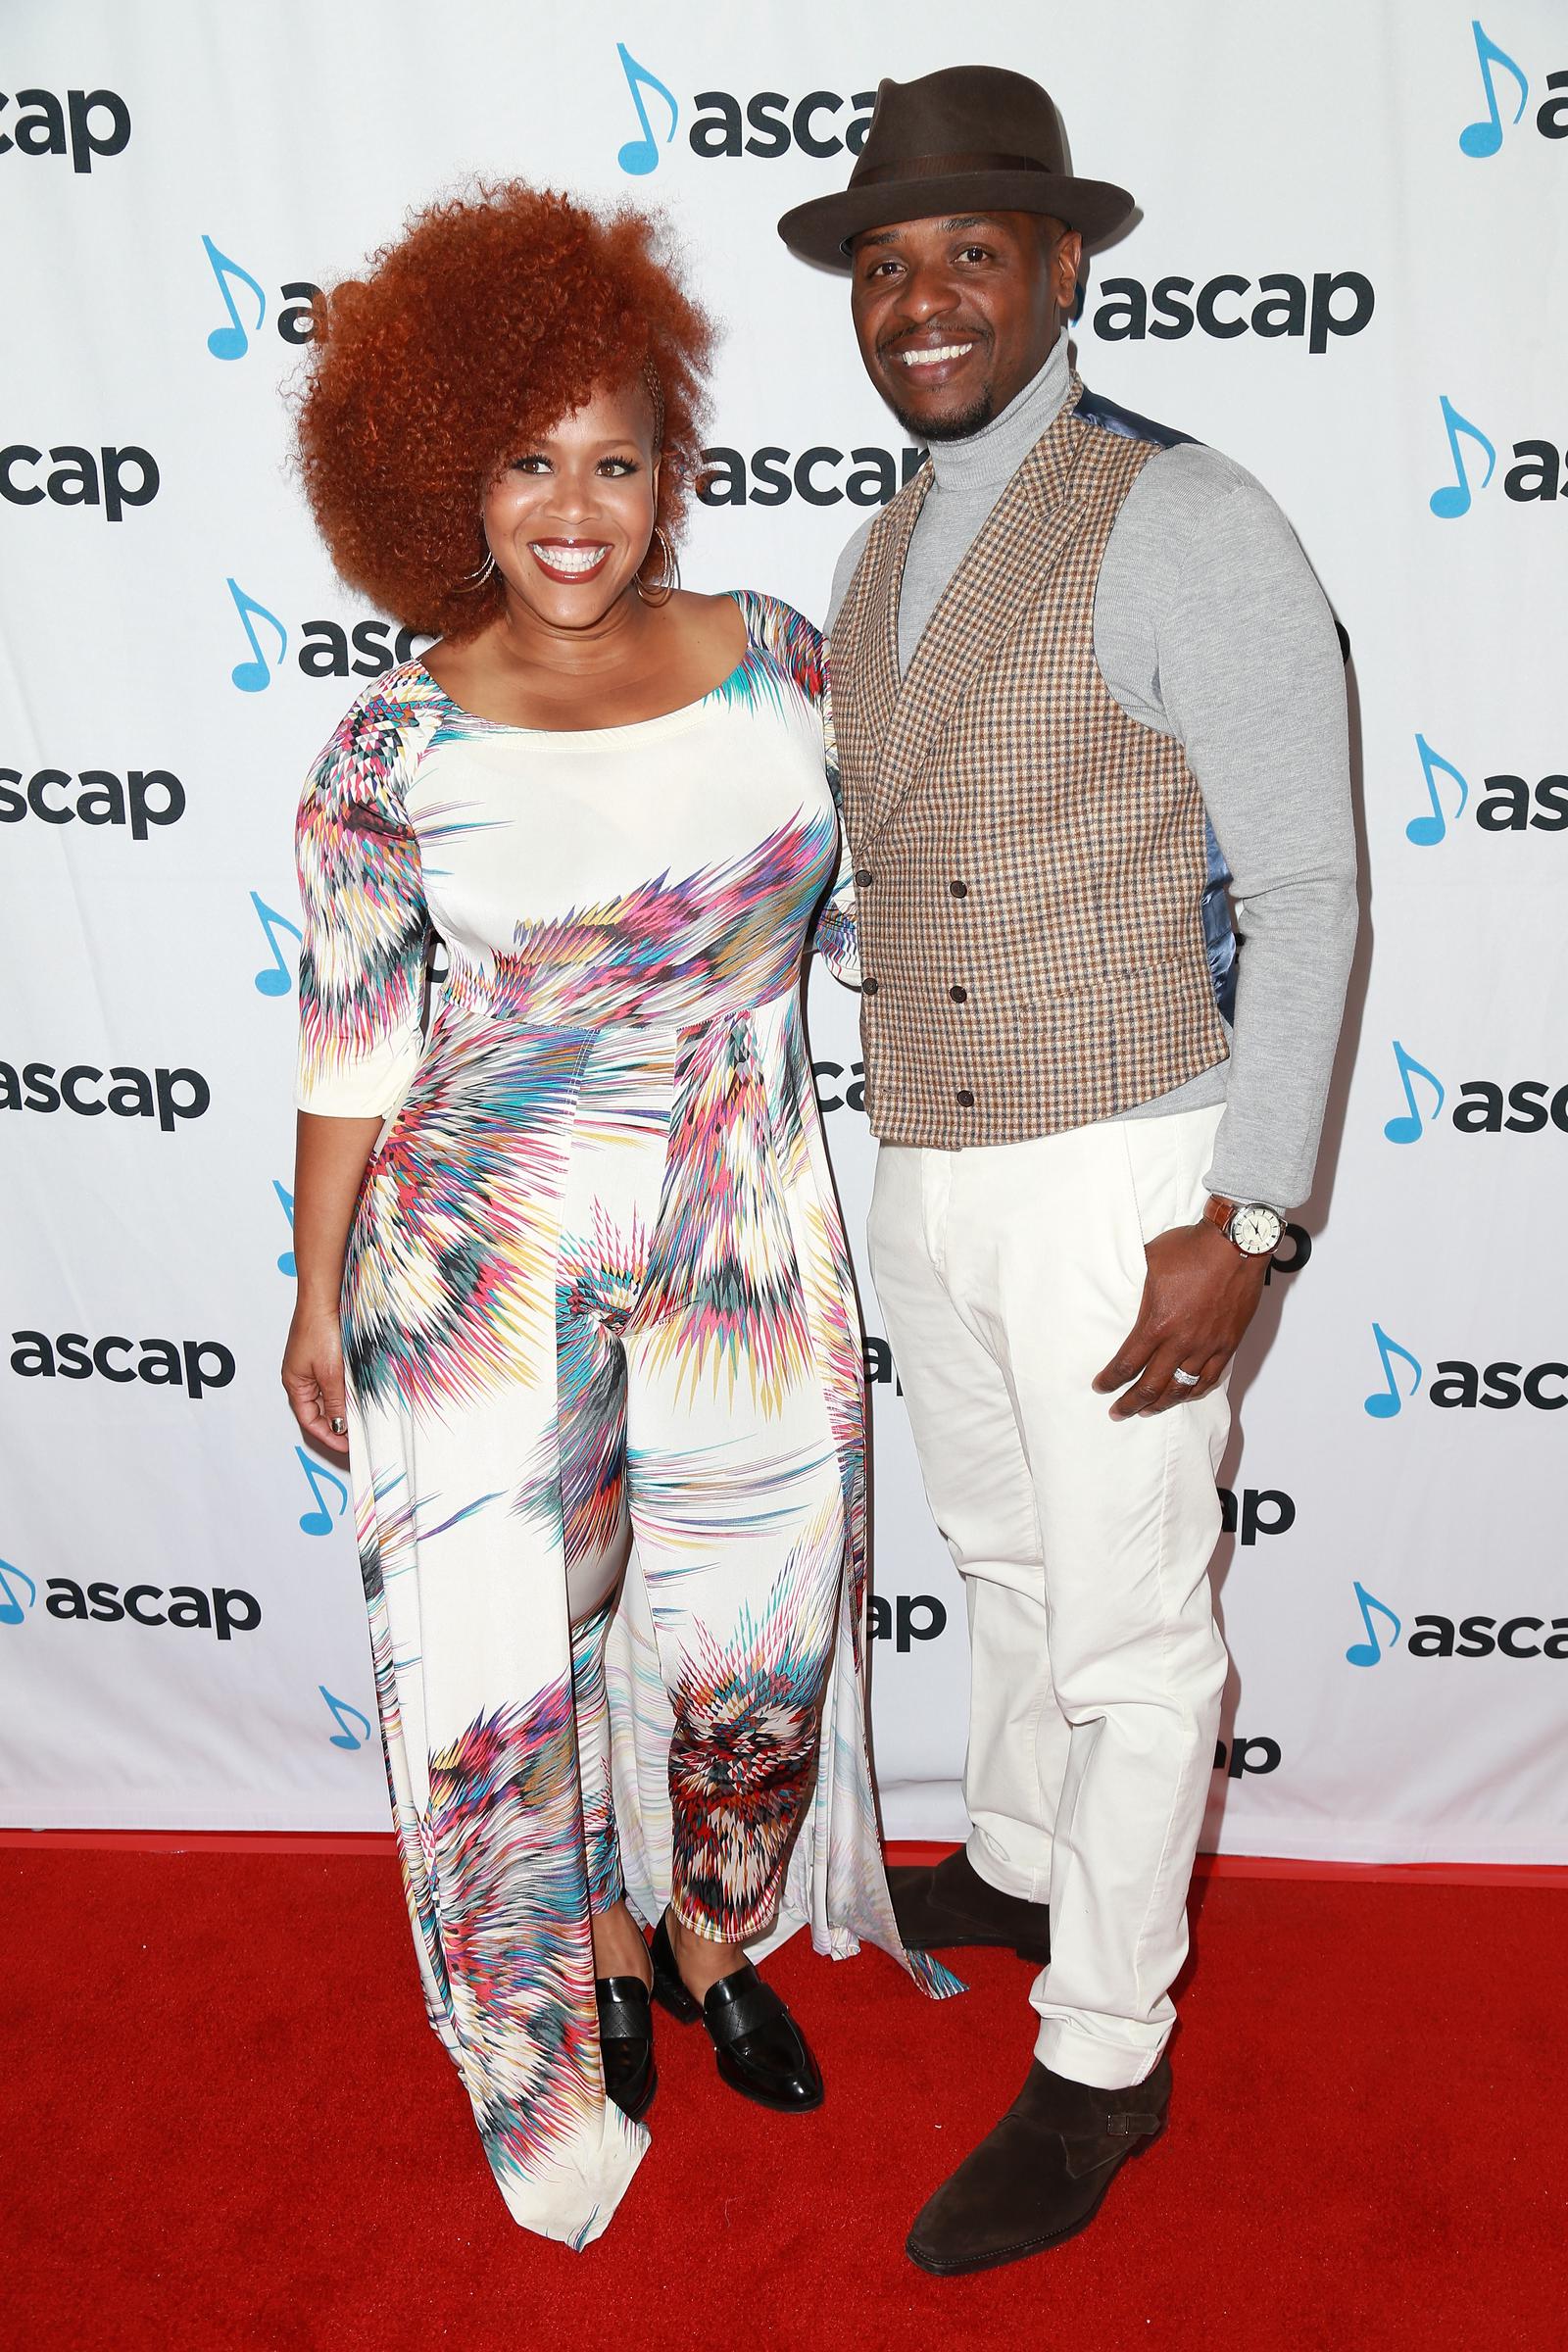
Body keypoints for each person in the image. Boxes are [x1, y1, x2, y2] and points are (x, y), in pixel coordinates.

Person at [281, 184, 953, 2251]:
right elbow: (351, 1050)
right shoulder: (387, 745)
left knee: (758, 1628)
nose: (570, 511)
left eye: (613, 462)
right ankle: (574, 1970)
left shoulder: (780, 668)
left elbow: (909, 899)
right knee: (516, 1649)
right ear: (447, 481)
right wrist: (311, 1297)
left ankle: (710, 1933)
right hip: (473, 1252)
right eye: (523, 463)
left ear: (672, 475)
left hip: (740, 1220)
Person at [779, 66, 1357, 2274]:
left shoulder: (1184, 513)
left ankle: (1107, 2054)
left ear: (1062, 271)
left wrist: (1252, 1219)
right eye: (887, 263)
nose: (921, 300)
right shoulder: (877, 545)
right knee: (1008, 1562)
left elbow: (1304, 889)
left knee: (1130, 1634)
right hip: (928, 1160)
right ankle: (1024, 1862)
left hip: (1128, 1168)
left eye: (970, 255)